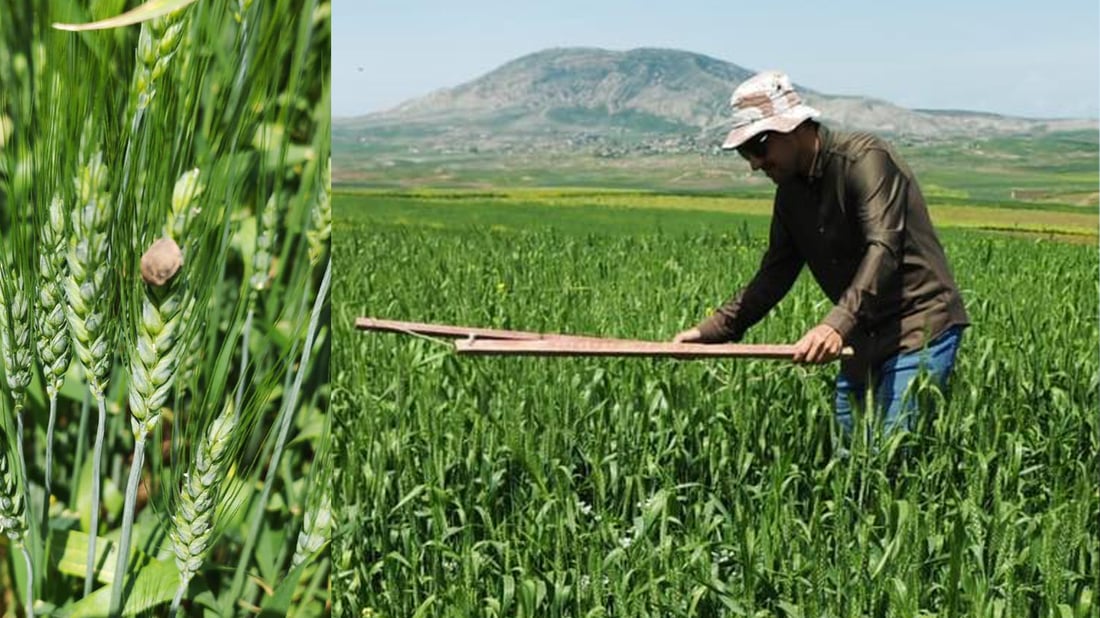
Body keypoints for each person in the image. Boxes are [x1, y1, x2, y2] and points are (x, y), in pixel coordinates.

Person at [673, 70, 969, 441]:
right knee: (850, 467)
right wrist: (712, 331)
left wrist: (834, 324)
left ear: (795, 127)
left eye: (759, 147)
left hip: (918, 329)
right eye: (746, 152)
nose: (754, 163)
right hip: (860, 340)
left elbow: (884, 248)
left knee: (893, 463)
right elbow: (774, 275)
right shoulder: (790, 193)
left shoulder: (864, 160)